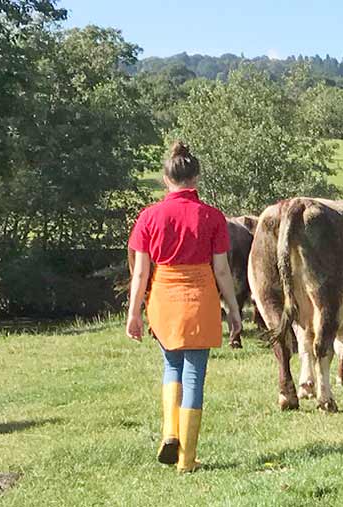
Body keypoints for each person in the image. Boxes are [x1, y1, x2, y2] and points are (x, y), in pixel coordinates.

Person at [125, 141, 242, 473]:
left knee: (171, 367)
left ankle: (170, 432)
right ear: (197, 178)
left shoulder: (148, 217)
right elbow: (221, 270)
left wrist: (134, 313)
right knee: (194, 376)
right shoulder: (213, 217)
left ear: (166, 179)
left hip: (163, 299)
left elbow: (141, 273)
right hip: (200, 299)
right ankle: (187, 460)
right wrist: (233, 310)